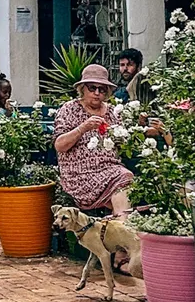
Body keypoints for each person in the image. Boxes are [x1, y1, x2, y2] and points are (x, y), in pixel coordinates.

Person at [53, 63, 135, 217]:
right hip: (80, 174)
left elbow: (124, 142)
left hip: (112, 169)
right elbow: (60, 145)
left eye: (102, 89)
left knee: (124, 185)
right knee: (124, 181)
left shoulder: (112, 111)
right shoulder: (70, 109)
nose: (97, 93)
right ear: (82, 89)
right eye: (92, 88)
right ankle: (122, 229)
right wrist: (82, 128)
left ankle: (120, 227)